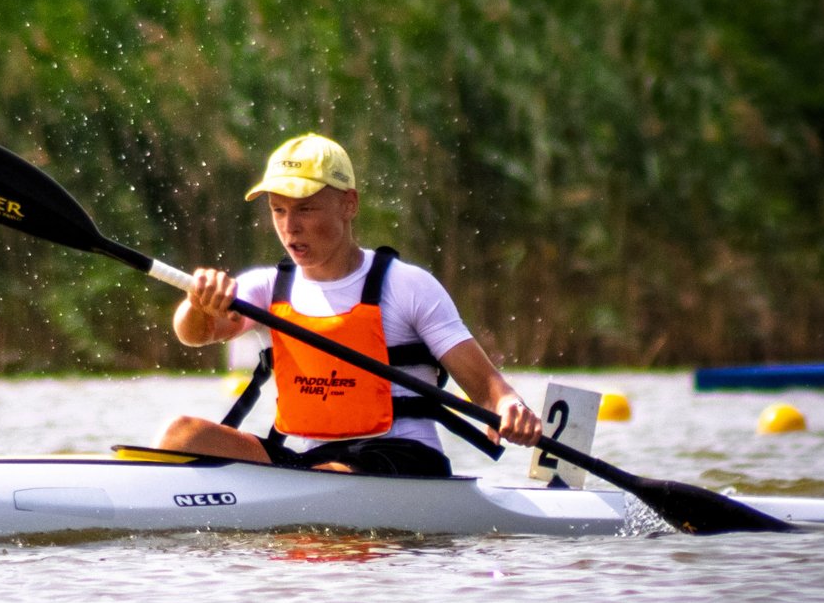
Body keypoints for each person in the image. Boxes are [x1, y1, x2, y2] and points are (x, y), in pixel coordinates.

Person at [157, 133, 543, 476]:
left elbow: (487, 387)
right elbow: (196, 334)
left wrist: (510, 406)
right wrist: (199, 303)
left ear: (349, 204)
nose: (290, 226)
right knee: (182, 436)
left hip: (403, 459)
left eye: (305, 209)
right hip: (316, 463)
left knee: (326, 476)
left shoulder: (407, 286)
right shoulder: (267, 287)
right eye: (279, 210)